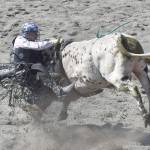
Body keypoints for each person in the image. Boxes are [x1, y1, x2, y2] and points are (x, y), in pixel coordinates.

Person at [11, 22, 74, 97]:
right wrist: (52, 42)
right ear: (27, 33)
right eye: (34, 33)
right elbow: (37, 46)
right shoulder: (20, 40)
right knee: (38, 66)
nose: (36, 35)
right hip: (22, 71)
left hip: (29, 68)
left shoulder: (27, 41)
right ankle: (58, 91)